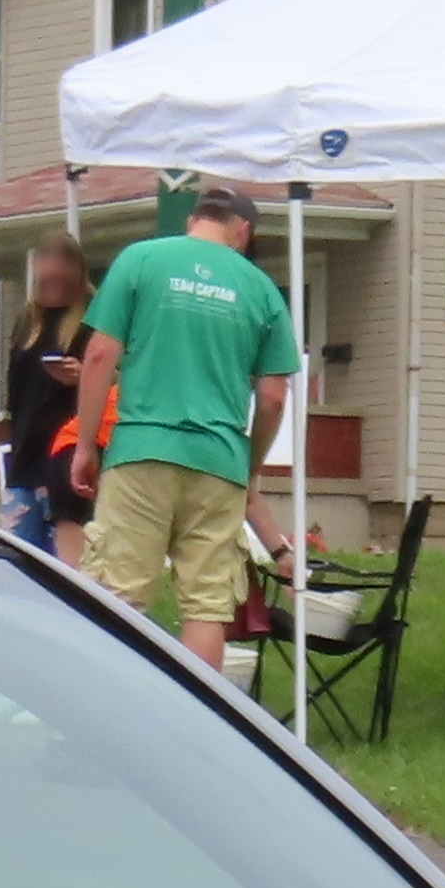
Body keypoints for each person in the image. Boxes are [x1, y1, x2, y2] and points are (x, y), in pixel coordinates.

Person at [72, 186, 297, 669]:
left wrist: (85, 445)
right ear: (243, 231)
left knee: (117, 598)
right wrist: (250, 467)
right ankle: (199, 727)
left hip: (140, 453)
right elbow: (274, 397)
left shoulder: (139, 260)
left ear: (194, 220)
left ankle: (107, 717)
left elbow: (98, 356)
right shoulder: (261, 290)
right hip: (219, 465)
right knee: (206, 610)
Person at [2, 230, 97, 563]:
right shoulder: (27, 323)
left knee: (69, 569)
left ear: (78, 273)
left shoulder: (90, 323)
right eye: (47, 267)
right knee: (18, 565)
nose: (54, 276)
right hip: (25, 464)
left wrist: (82, 375)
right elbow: (14, 397)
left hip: (66, 465)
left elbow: (115, 381)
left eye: (63, 268)